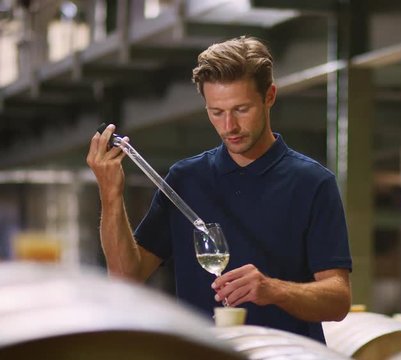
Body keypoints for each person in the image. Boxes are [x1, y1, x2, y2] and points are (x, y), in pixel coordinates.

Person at [86, 36, 352, 343]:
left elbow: (338, 299)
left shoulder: (313, 183)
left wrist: (273, 289)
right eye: (216, 112)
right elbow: (124, 277)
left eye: (241, 109)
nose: (229, 126)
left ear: (270, 96)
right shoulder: (185, 179)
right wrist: (110, 194)